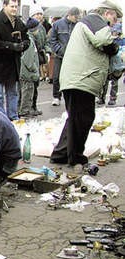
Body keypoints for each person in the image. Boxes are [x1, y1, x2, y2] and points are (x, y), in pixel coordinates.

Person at [50, 0, 122, 167]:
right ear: (107, 13)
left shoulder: (87, 22)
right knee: (83, 117)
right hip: (81, 78)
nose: (115, 22)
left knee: (75, 117)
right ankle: (75, 157)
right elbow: (104, 41)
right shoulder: (95, 20)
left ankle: (60, 153)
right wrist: (115, 48)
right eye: (115, 17)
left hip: (77, 78)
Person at [0, 0, 29, 121]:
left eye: (16, 6)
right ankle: (0, 119)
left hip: (13, 64)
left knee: (13, 93)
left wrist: (23, 45)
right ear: (5, 6)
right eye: (12, 6)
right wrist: (12, 46)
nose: (14, 9)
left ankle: (13, 117)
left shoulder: (19, 22)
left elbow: (27, 38)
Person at [49, 7, 80, 106]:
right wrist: (59, 50)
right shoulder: (57, 24)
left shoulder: (78, 25)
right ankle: (56, 97)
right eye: (75, 17)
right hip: (60, 55)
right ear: (69, 15)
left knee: (72, 78)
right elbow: (52, 39)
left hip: (74, 56)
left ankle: (72, 98)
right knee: (57, 77)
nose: (77, 19)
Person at [18, 18, 40, 118]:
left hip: (24, 72)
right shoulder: (30, 42)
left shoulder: (26, 39)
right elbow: (28, 59)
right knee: (27, 92)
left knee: (24, 91)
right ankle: (24, 111)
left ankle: (22, 109)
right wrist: (34, 69)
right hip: (28, 73)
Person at [28, 4, 48, 114]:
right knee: (30, 85)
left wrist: (47, 51)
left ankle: (34, 106)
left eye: (40, 14)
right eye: (37, 14)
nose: (39, 16)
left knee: (36, 84)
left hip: (39, 57)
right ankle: (28, 107)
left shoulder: (42, 28)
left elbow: (45, 42)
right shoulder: (29, 28)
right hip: (32, 58)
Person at [98, 23, 123, 106]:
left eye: (116, 32)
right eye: (114, 32)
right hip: (107, 64)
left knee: (114, 82)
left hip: (117, 65)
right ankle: (101, 98)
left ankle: (112, 98)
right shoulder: (108, 39)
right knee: (104, 82)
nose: (115, 33)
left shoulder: (122, 41)